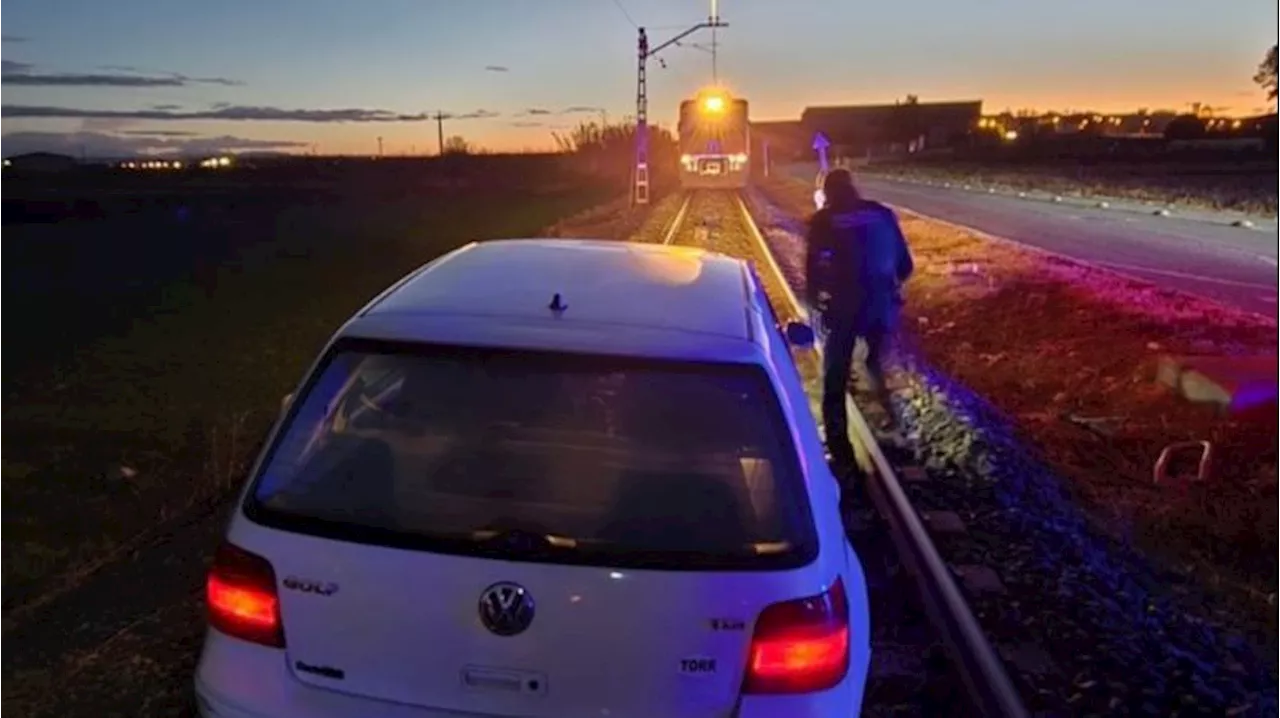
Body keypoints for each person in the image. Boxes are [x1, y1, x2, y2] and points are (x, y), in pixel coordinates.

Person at [805, 168, 914, 473]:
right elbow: (905, 265)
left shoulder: (823, 221)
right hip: (881, 304)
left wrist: (817, 303)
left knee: (834, 376)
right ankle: (894, 426)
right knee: (875, 362)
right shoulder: (881, 214)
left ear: (826, 194)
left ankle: (838, 446)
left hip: (844, 307)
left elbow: (814, 274)